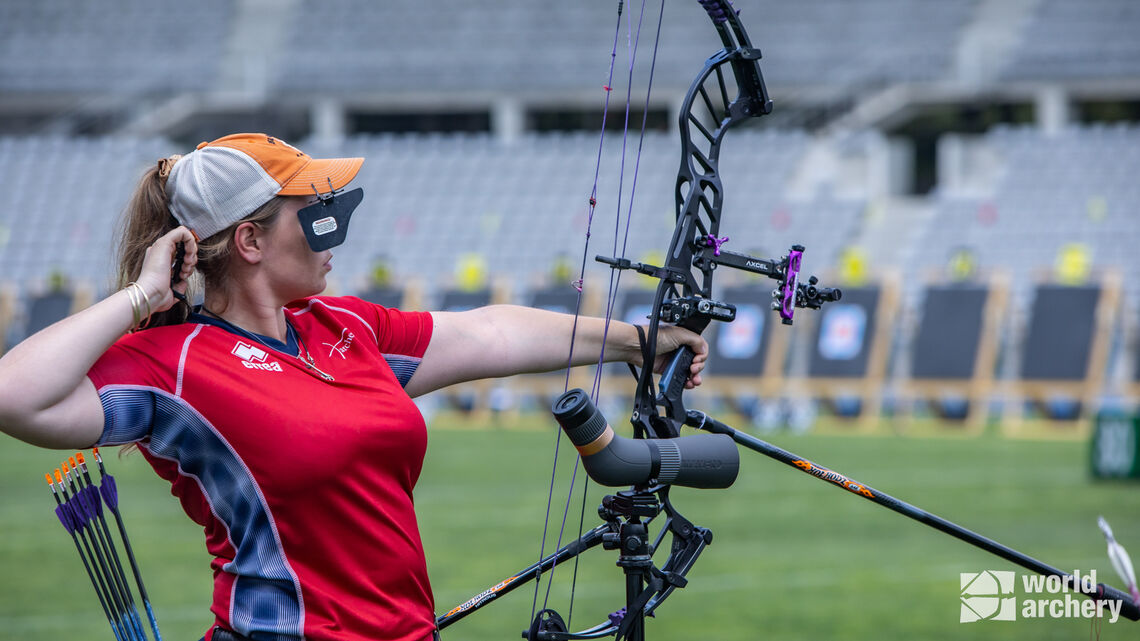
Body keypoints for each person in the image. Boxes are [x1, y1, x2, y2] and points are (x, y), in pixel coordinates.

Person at [0, 133, 707, 641]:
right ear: (249, 241)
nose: (332, 234)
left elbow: (489, 333)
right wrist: (141, 295)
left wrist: (638, 341)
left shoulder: (344, 325)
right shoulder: (172, 363)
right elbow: (15, 394)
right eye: (314, 215)